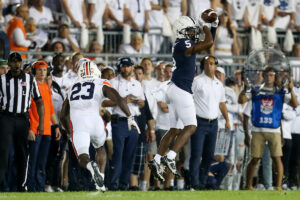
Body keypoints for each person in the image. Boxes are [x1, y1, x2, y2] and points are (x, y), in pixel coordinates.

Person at [148, 14, 217, 181]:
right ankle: (170, 157)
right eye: (190, 30)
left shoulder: (181, 42)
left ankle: (157, 159)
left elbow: (208, 42)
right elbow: (207, 43)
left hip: (176, 88)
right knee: (192, 126)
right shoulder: (182, 42)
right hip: (181, 89)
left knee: (175, 130)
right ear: (182, 31)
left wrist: (213, 26)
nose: (194, 32)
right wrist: (205, 26)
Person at [60, 60, 140, 191]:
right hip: (95, 121)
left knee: (82, 156)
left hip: (79, 123)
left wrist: (69, 132)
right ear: (95, 71)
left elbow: (63, 115)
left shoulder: (72, 86)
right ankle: (100, 179)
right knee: (100, 148)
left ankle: (92, 167)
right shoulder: (100, 82)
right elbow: (118, 99)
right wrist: (130, 117)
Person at [239, 66, 298, 190]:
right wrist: (245, 87)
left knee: (277, 159)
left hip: (274, 129)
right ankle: (248, 185)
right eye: (267, 75)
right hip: (258, 129)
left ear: (275, 77)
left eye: (271, 75)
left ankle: (278, 186)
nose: (269, 77)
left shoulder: (280, 92)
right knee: (255, 159)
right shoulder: (256, 90)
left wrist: (291, 90)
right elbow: (241, 100)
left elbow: (295, 104)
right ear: (263, 76)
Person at [0, 52, 44, 191]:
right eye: (12, 61)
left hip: (22, 119)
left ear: (21, 62)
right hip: (6, 117)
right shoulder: (1, 79)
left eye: (18, 61)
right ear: (8, 63)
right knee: (3, 153)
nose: (16, 64)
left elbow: (39, 101)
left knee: (23, 154)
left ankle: (22, 185)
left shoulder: (30, 79)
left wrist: (41, 124)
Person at [102, 57, 144, 190]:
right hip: (119, 121)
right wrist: (121, 101)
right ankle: (113, 184)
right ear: (120, 67)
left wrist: (134, 101)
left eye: (128, 66)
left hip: (133, 122)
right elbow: (104, 102)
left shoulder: (137, 84)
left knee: (130, 155)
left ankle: (124, 184)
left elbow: (142, 103)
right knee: (118, 154)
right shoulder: (112, 82)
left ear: (132, 67)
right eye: (123, 66)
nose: (125, 68)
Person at [189, 56, 230, 190]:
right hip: (199, 122)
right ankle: (194, 182)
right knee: (196, 154)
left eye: (212, 64)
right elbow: (188, 99)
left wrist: (227, 119)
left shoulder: (218, 84)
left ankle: (203, 181)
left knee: (209, 154)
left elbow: (222, 103)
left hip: (213, 123)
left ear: (215, 66)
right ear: (203, 66)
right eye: (207, 64)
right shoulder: (197, 81)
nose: (209, 66)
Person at [26, 60, 61, 192]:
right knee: (33, 160)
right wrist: (30, 128)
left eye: (44, 70)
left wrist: (56, 125)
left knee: (42, 161)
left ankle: (39, 187)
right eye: (39, 70)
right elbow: (28, 110)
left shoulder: (46, 87)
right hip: (35, 129)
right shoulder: (31, 86)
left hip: (47, 130)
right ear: (34, 71)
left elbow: (51, 109)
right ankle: (30, 187)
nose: (42, 72)